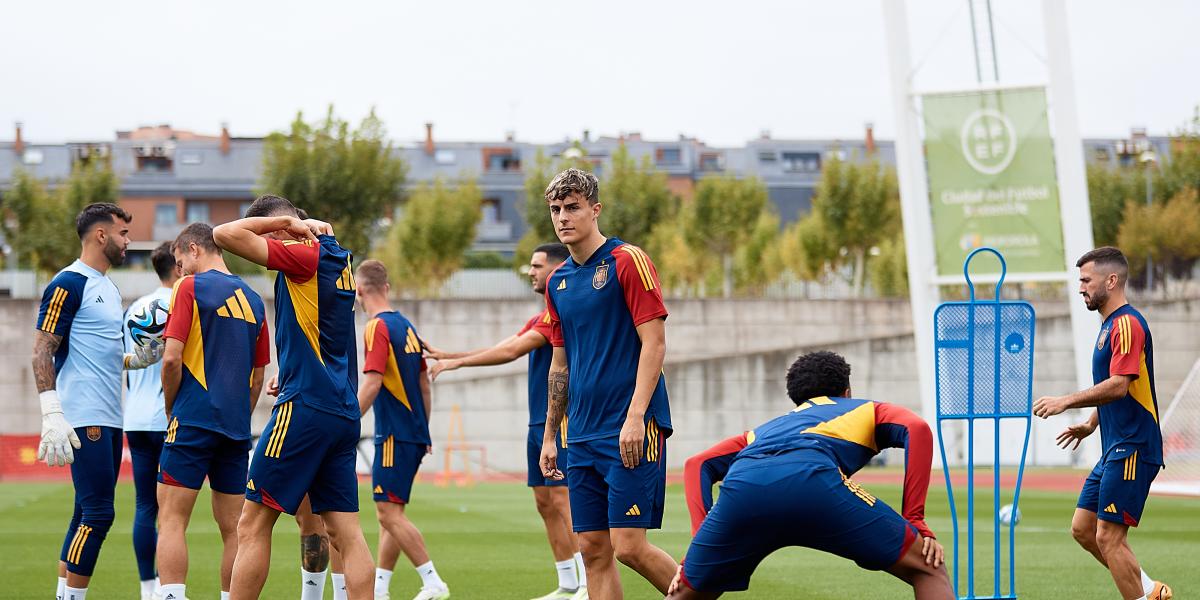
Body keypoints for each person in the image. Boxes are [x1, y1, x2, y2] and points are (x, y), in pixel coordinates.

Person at [666, 350, 951, 599]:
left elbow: (697, 464)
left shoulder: (764, 430)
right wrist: (915, 520)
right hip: (812, 480)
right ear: (847, 391)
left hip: (743, 488)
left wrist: (700, 548)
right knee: (928, 567)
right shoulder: (866, 408)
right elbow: (918, 428)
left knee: (692, 592)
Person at [213, 194, 374, 599]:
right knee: (345, 532)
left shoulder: (301, 254)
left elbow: (223, 234)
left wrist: (279, 226)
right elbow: (325, 331)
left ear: (286, 227)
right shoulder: (338, 256)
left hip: (305, 407)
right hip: (341, 411)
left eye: (272, 230)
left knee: (251, 525)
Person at [537, 168, 678, 599]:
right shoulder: (558, 281)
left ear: (595, 210)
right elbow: (559, 366)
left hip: (630, 428)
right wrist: (549, 436)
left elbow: (654, 344)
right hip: (580, 434)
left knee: (629, 548)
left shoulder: (627, 261)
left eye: (573, 207)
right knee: (593, 550)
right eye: (556, 209)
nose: (563, 217)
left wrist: (636, 417)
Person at [428, 243, 587, 600]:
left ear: (557, 269)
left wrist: (457, 364)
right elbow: (503, 345)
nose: (530, 271)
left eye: (536, 265)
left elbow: (511, 352)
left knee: (563, 500)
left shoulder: (559, 313)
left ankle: (589, 581)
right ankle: (568, 582)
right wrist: (448, 355)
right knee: (544, 503)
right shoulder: (539, 316)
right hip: (536, 423)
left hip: (558, 422)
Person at [33, 203, 163, 600]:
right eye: (124, 234)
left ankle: (62, 593)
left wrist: (133, 360)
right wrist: (52, 412)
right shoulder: (68, 283)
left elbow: (96, 350)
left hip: (110, 416)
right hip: (82, 414)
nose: (128, 241)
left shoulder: (108, 286)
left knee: (83, 513)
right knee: (98, 513)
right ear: (101, 235)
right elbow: (42, 349)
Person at [1033, 247, 1172, 600]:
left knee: (1109, 536)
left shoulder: (1126, 324)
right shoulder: (1109, 326)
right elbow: (1124, 388)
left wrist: (1066, 401)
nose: (1080, 288)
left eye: (1085, 280)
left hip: (1134, 446)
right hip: (1115, 445)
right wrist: (1091, 423)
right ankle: (1149, 590)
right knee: (1083, 529)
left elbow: (1119, 384)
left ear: (1111, 281)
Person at [155, 223, 271, 600]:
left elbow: (171, 360)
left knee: (172, 519)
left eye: (179, 261)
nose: (180, 270)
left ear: (193, 249)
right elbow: (258, 378)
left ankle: (171, 595)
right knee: (235, 530)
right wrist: (240, 414)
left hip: (192, 418)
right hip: (235, 428)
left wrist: (171, 406)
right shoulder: (254, 300)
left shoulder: (188, 288)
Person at [356, 259, 451, 600]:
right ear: (387, 287)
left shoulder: (375, 327)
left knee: (388, 512)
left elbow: (372, 383)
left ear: (359, 290)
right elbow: (425, 385)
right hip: (412, 433)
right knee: (391, 512)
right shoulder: (407, 327)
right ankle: (379, 588)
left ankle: (433, 581)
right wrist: (423, 430)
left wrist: (348, 421)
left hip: (394, 435)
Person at [123, 241, 181, 600]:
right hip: (170, 416)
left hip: (136, 417)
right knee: (173, 512)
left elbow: (125, 361)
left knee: (145, 505)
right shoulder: (184, 302)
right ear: (178, 266)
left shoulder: (133, 308)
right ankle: (169, 588)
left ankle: (148, 588)